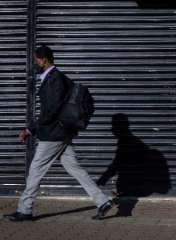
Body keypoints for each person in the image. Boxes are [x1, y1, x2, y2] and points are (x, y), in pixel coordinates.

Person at [4, 45, 112, 221]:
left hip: (53, 134)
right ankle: (102, 201)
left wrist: (30, 129)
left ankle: (25, 210)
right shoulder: (54, 78)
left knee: (35, 169)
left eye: (36, 60)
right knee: (75, 168)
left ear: (43, 59)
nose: (35, 63)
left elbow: (51, 110)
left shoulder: (55, 79)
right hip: (62, 133)